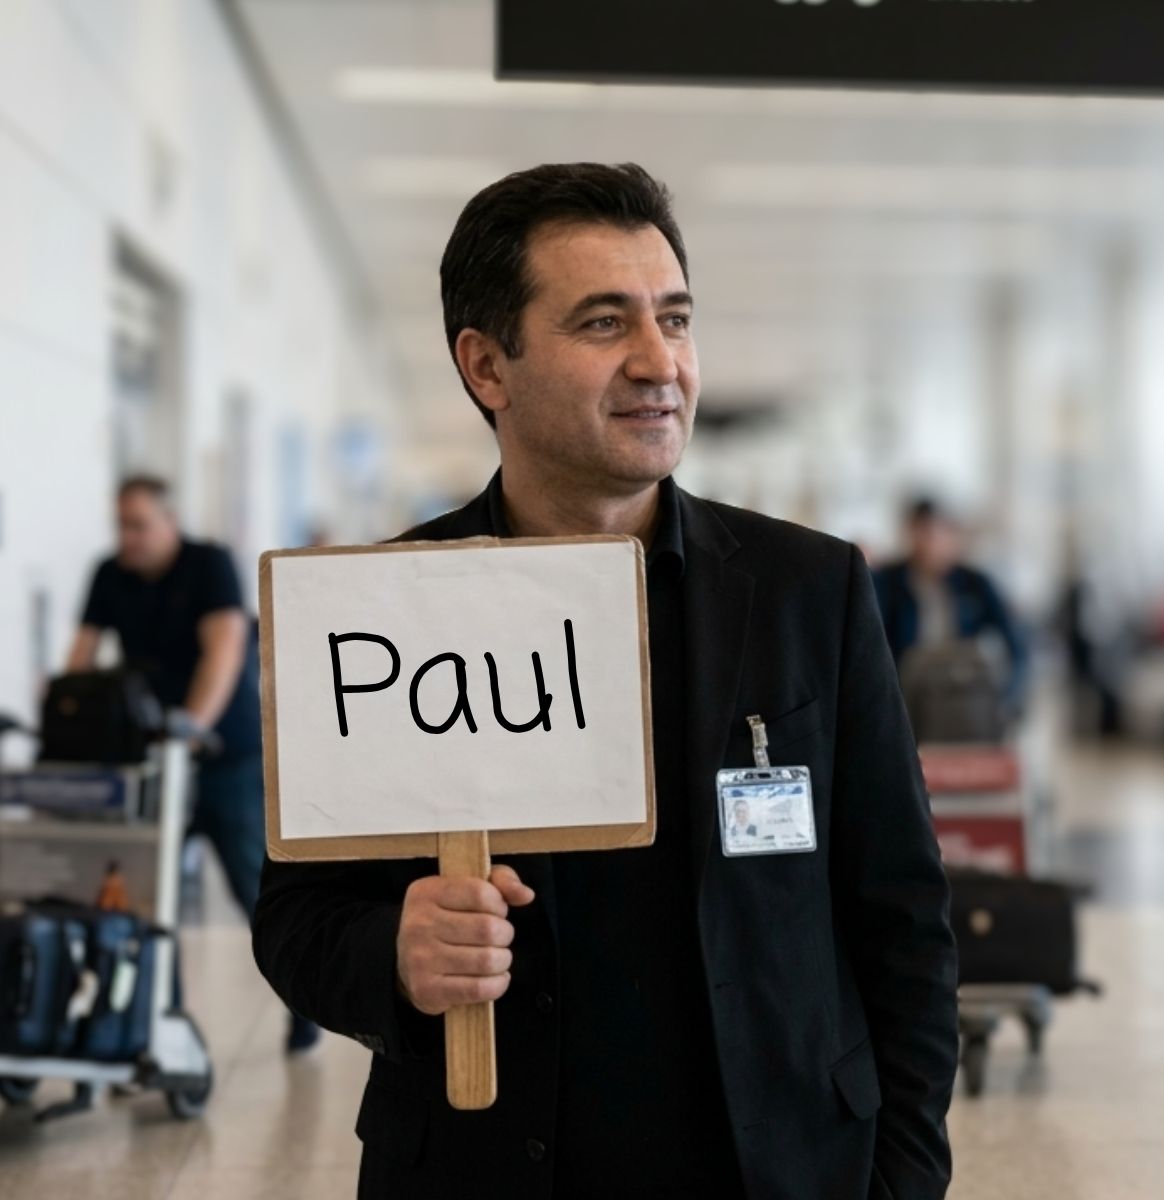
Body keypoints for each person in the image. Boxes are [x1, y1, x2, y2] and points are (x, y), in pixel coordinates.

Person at [252, 164, 958, 1199]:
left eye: (674, 318)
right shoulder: (383, 609)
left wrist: (904, 1177)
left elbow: (902, 914)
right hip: (485, 1169)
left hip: (782, 1163)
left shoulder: (809, 590)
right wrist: (392, 951)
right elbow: (296, 918)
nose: (658, 362)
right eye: (601, 323)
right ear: (488, 365)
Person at [67, 476, 320, 1054]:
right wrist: (67, 713)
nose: (127, 538)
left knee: (257, 892)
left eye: (139, 525)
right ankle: (160, 1024)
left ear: (169, 522)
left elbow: (225, 648)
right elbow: (80, 659)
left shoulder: (209, 565)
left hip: (224, 758)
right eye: (121, 526)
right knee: (148, 898)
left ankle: (304, 1007)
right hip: (153, 763)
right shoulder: (111, 574)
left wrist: (192, 727)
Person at [872, 497, 1029, 712]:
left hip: (962, 696)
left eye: (937, 533)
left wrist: (1007, 697)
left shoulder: (974, 584)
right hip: (904, 699)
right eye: (922, 532)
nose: (930, 543)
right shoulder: (886, 581)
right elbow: (871, 641)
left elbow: (1016, 642)